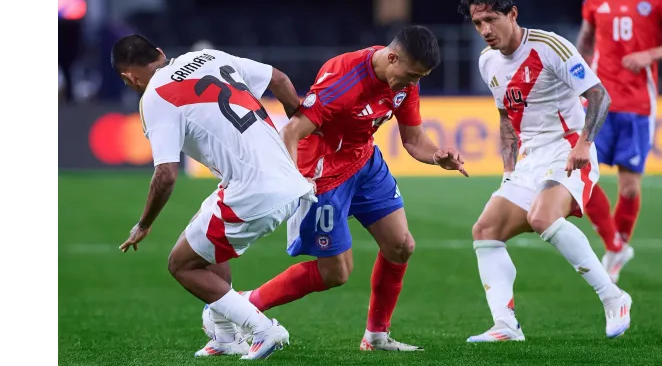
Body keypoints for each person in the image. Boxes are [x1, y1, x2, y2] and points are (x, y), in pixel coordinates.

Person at [233, 25, 468, 351]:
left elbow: (414, 140)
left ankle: (376, 336)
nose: (414, 84)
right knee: (336, 272)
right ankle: (242, 306)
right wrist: (293, 182)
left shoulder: (404, 82)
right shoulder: (342, 78)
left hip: (365, 164)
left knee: (401, 246)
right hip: (323, 173)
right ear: (392, 57)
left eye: (420, 78)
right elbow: (290, 133)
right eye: (412, 75)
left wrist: (437, 156)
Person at [111, 34, 316, 360]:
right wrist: (299, 117)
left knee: (182, 265)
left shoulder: (154, 97)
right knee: (203, 238)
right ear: (161, 53)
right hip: (290, 180)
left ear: (129, 77)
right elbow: (278, 78)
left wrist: (144, 223)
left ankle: (263, 329)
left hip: (254, 191)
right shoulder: (210, 56)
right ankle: (225, 337)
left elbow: (165, 175)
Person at [458, 0, 632, 342]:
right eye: (478, 24)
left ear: (512, 14)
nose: (485, 30)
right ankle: (505, 325)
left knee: (542, 217)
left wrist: (585, 143)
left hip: (568, 150)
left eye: (491, 19)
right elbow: (506, 118)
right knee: (485, 231)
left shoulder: (549, 46)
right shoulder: (487, 62)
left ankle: (614, 298)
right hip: (529, 160)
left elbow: (599, 95)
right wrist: (508, 172)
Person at [576, 0, 662, 283]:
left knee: (631, 187)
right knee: (581, 174)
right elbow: (585, 40)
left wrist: (650, 53)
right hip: (599, 101)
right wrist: (576, 78)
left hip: (638, 104)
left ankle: (617, 247)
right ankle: (615, 245)